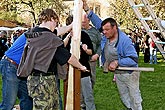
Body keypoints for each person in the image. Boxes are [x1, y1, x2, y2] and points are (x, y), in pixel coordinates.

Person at [16, 9, 88, 110]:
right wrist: (81, 66)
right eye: (56, 22)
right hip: (44, 81)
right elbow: (69, 57)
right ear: (52, 19)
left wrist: (71, 26)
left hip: (33, 80)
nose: (56, 25)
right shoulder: (50, 39)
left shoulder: (35, 33)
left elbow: (57, 31)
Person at [82, 1, 143, 110]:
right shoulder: (107, 34)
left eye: (106, 30)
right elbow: (98, 22)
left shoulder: (124, 41)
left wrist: (117, 62)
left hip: (130, 73)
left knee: (135, 98)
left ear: (115, 28)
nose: (103, 32)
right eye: (103, 30)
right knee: (124, 97)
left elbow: (134, 59)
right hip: (119, 72)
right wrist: (87, 10)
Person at [63, 15, 96, 110]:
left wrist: (86, 50)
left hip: (84, 70)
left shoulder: (84, 35)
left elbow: (91, 52)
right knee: (73, 96)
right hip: (69, 71)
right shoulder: (65, 37)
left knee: (88, 96)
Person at [82, 14, 101, 88]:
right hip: (81, 60)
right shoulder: (79, 30)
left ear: (88, 21)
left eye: (84, 22)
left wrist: (97, 54)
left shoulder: (95, 31)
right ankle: (81, 98)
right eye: (81, 22)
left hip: (92, 59)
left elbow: (100, 44)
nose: (82, 24)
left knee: (91, 79)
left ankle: (89, 95)